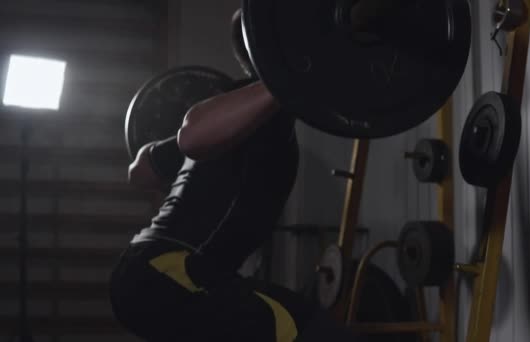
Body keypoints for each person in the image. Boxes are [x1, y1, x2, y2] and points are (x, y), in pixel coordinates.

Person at [109, 9, 357, 342]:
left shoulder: (248, 120)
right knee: (310, 332)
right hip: (168, 271)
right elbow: (188, 140)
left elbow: (142, 172)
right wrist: (284, 82)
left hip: (172, 276)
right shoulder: (246, 108)